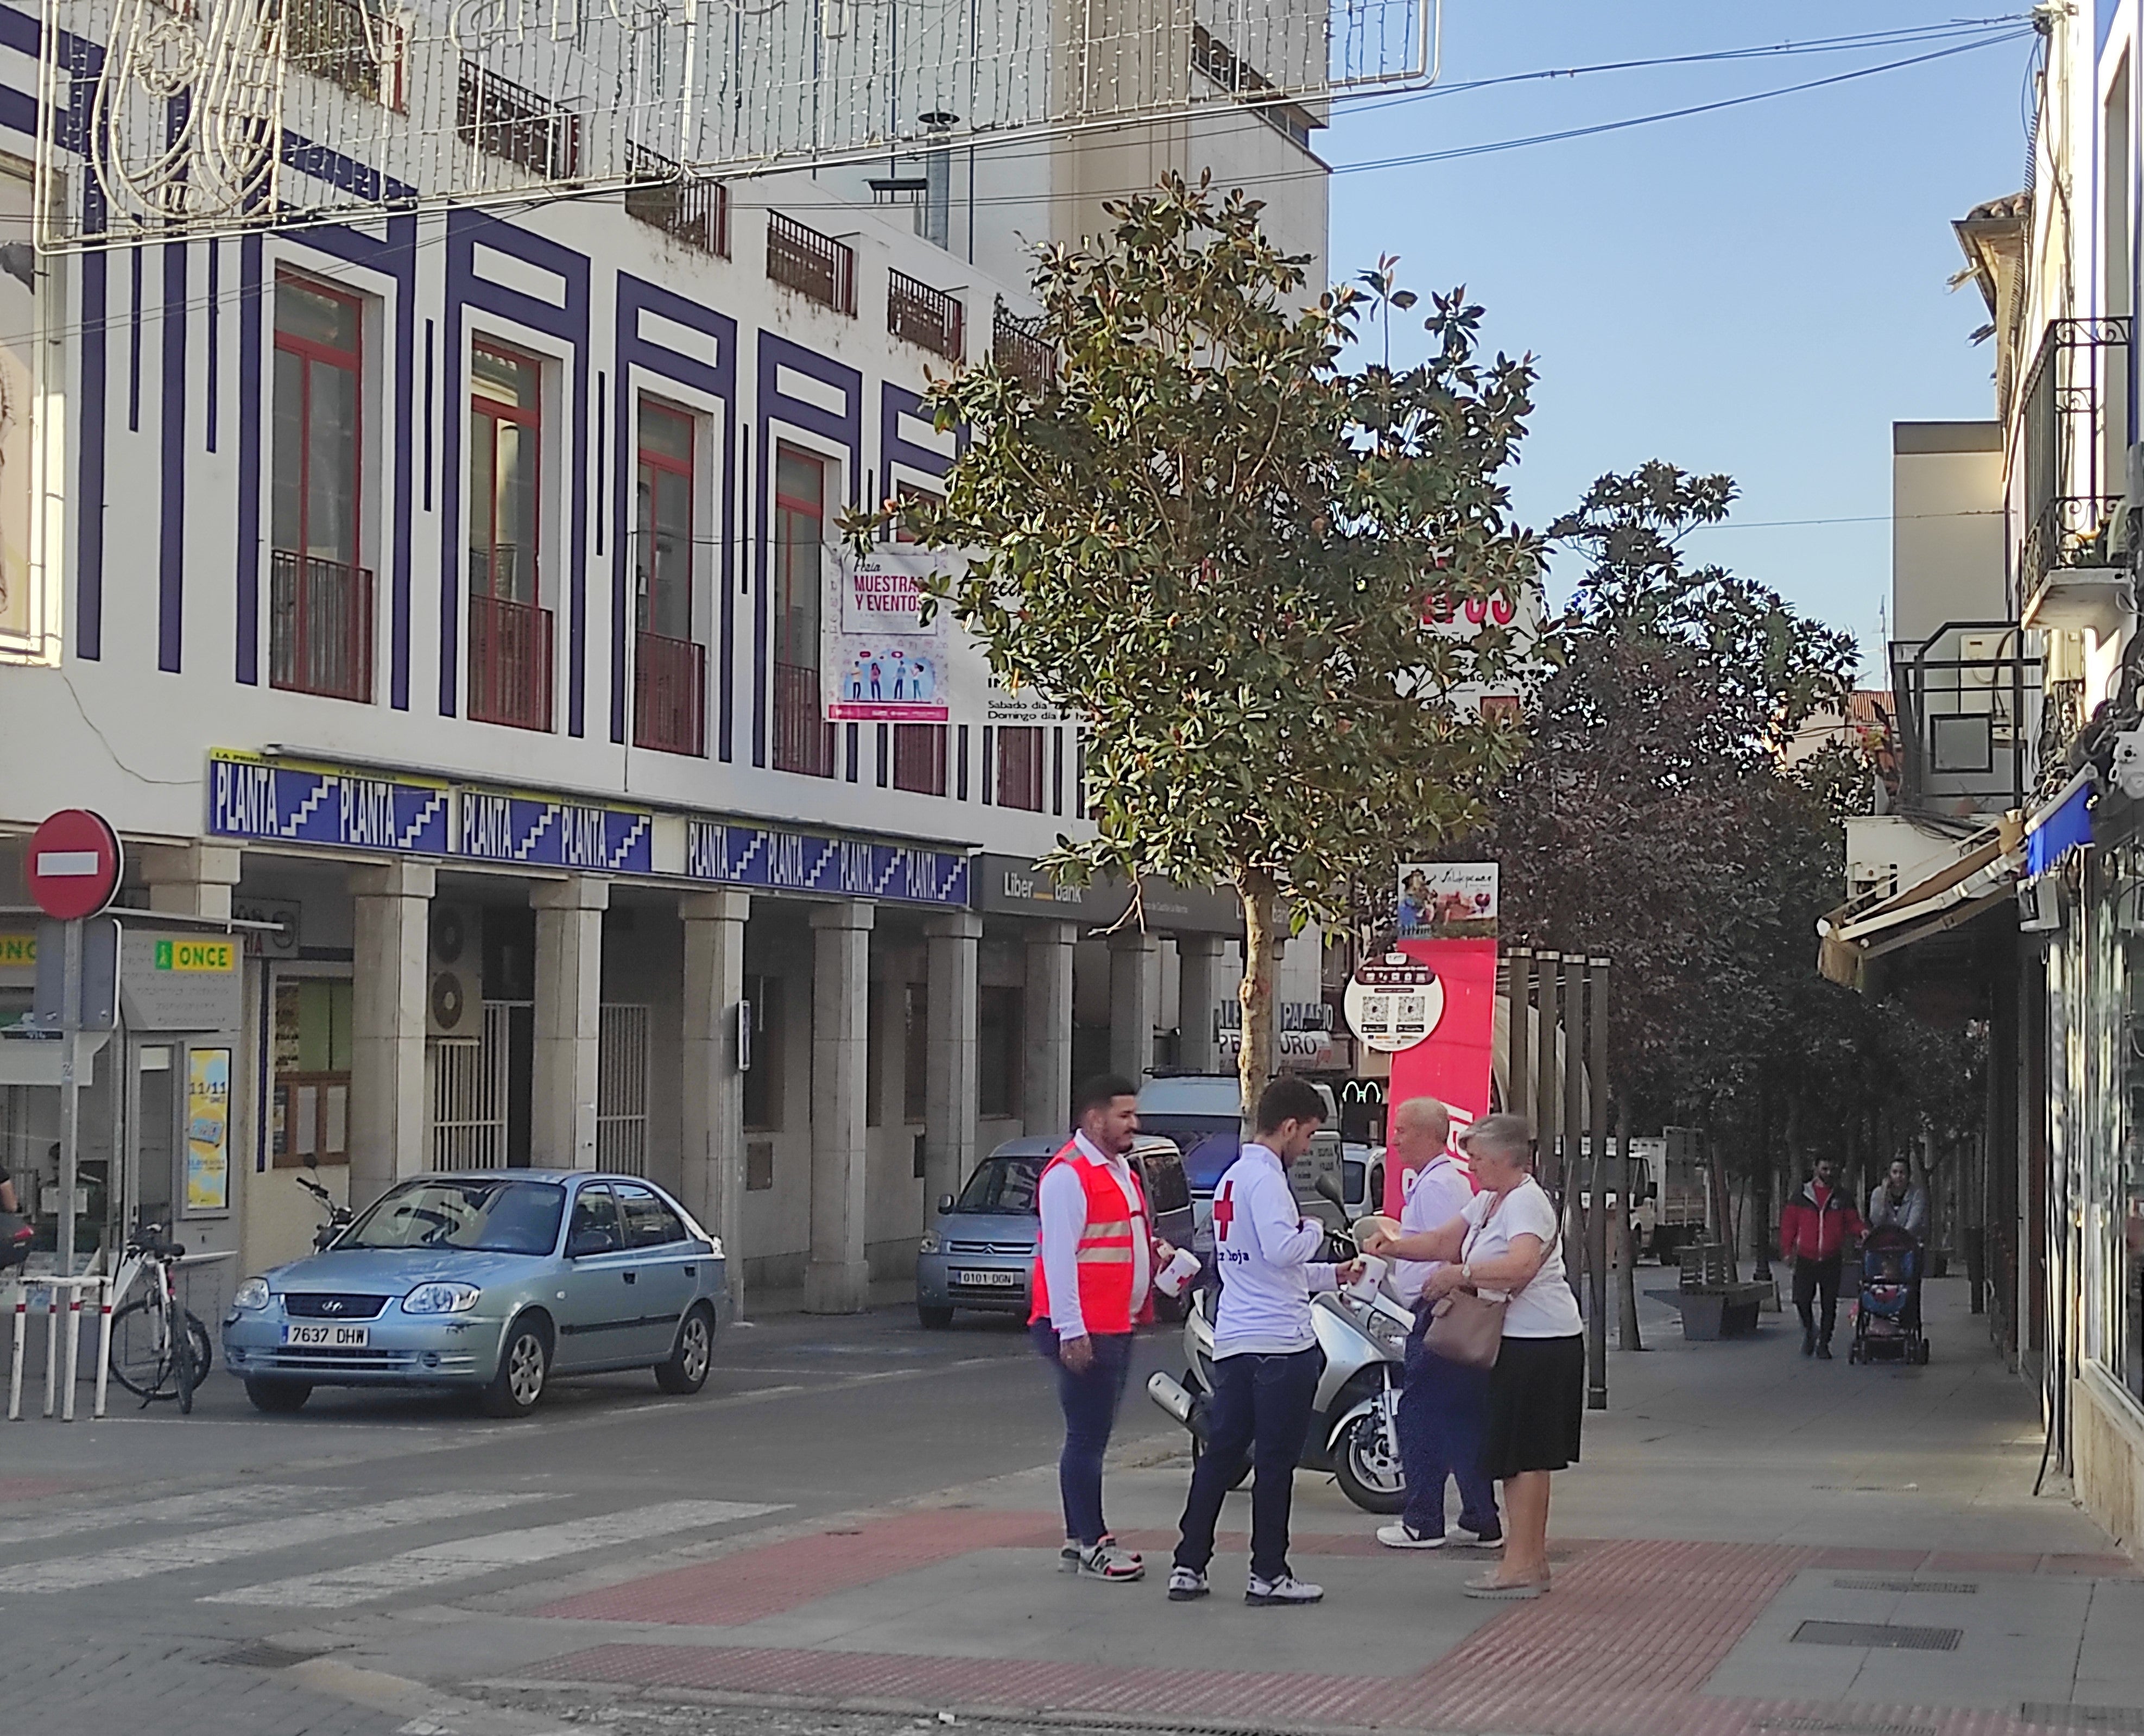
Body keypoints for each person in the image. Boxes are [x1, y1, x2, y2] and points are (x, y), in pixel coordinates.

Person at [1364, 1113, 1583, 1600]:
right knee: (1517, 1456)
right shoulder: (1491, 1200)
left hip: (1541, 1342)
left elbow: (1521, 1264)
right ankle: (1527, 1559)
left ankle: (1522, 1563)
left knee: (1526, 1457)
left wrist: (1459, 1273)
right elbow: (1444, 1240)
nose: (1473, 1167)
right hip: (1518, 1340)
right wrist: (1395, 1247)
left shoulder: (1525, 1201)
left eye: (1479, 1158)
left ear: (1507, 1157)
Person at [1168, 1075, 1363, 1608]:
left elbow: (1258, 1266)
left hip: (1236, 1339)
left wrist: (1333, 1274)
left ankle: (1189, 1563)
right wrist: (1317, 1231)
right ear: (1289, 1125)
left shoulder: (1232, 1179)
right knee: (1276, 1463)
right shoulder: (1270, 1180)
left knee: (1221, 1454)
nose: (1306, 1148)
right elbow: (1282, 1249)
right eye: (1307, 1136)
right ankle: (1268, 1572)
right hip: (1281, 1342)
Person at [1030, 1072, 1173, 1582]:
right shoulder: (1068, 1174)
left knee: (1093, 1434)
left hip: (1115, 1321)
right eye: (1124, 1115)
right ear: (1094, 1119)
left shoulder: (1118, 1169)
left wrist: (1158, 1260)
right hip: (1087, 1327)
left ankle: (1080, 1537)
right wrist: (1071, 1329)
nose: (1134, 1124)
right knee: (1087, 1437)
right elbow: (1060, 1258)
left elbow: (1121, 1239)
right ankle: (1092, 1542)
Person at [1377, 1096, 1502, 1551]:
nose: (1395, 1140)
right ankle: (1479, 1517)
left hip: (1440, 1311)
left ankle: (1423, 1518)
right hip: (1439, 1307)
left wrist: (1398, 1252)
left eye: (1403, 1130)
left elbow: (1447, 1245)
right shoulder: (1435, 1183)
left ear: (1431, 1135)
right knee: (1460, 1418)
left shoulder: (1438, 1186)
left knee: (1420, 1414)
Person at [1780, 1156, 1865, 1360]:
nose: (1828, 1173)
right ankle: (1810, 1330)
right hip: (1805, 1257)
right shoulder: (1801, 1196)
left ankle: (1824, 1344)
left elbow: (1852, 1221)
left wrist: (1861, 1231)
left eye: (1832, 1169)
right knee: (1802, 1300)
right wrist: (1787, 1249)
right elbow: (1789, 1224)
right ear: (1816, 1168)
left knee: (1830, 1304)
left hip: (1831, 1257)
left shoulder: (1842, 1197)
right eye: (1824, 1169)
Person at [1867, 1158, 1930, 1242]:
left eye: (1902, 1173)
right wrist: (1883, 1196)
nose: (1898, 1176)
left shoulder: (1917, 1194)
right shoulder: (1878, 1192)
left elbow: (1914, 1222)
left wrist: (1899, 1239)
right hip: (1884, 1242)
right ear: (1889, 1175)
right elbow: (1876, 1221)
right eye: (1895, 1172)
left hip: (1908, 1241)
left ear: (1908, 1175)